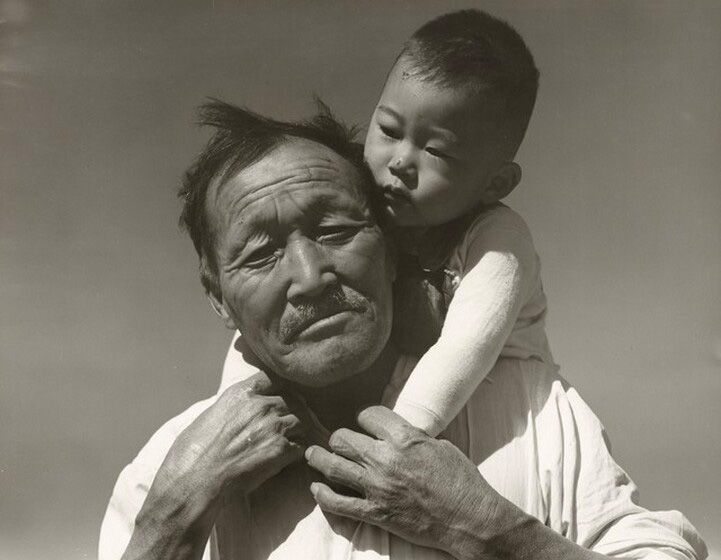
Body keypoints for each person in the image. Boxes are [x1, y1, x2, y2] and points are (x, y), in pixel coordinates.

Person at [99, 100, 706, 560]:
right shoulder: (165, 474)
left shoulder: (530, 407)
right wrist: (172, 520)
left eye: (335, 231)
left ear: (391, 253)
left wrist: (489, 530)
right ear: (219, 301)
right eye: (260, 256)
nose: (310, 277)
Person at [222, 9, 550, 437]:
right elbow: (259, 329)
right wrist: (229, 419)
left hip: (494, 406)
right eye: (390, 130)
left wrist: (389, 448)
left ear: (497, 182)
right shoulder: (368, 203)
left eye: (437, 153)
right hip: (402, 397)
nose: (399, 162)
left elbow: (463, 351)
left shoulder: (499, 241)